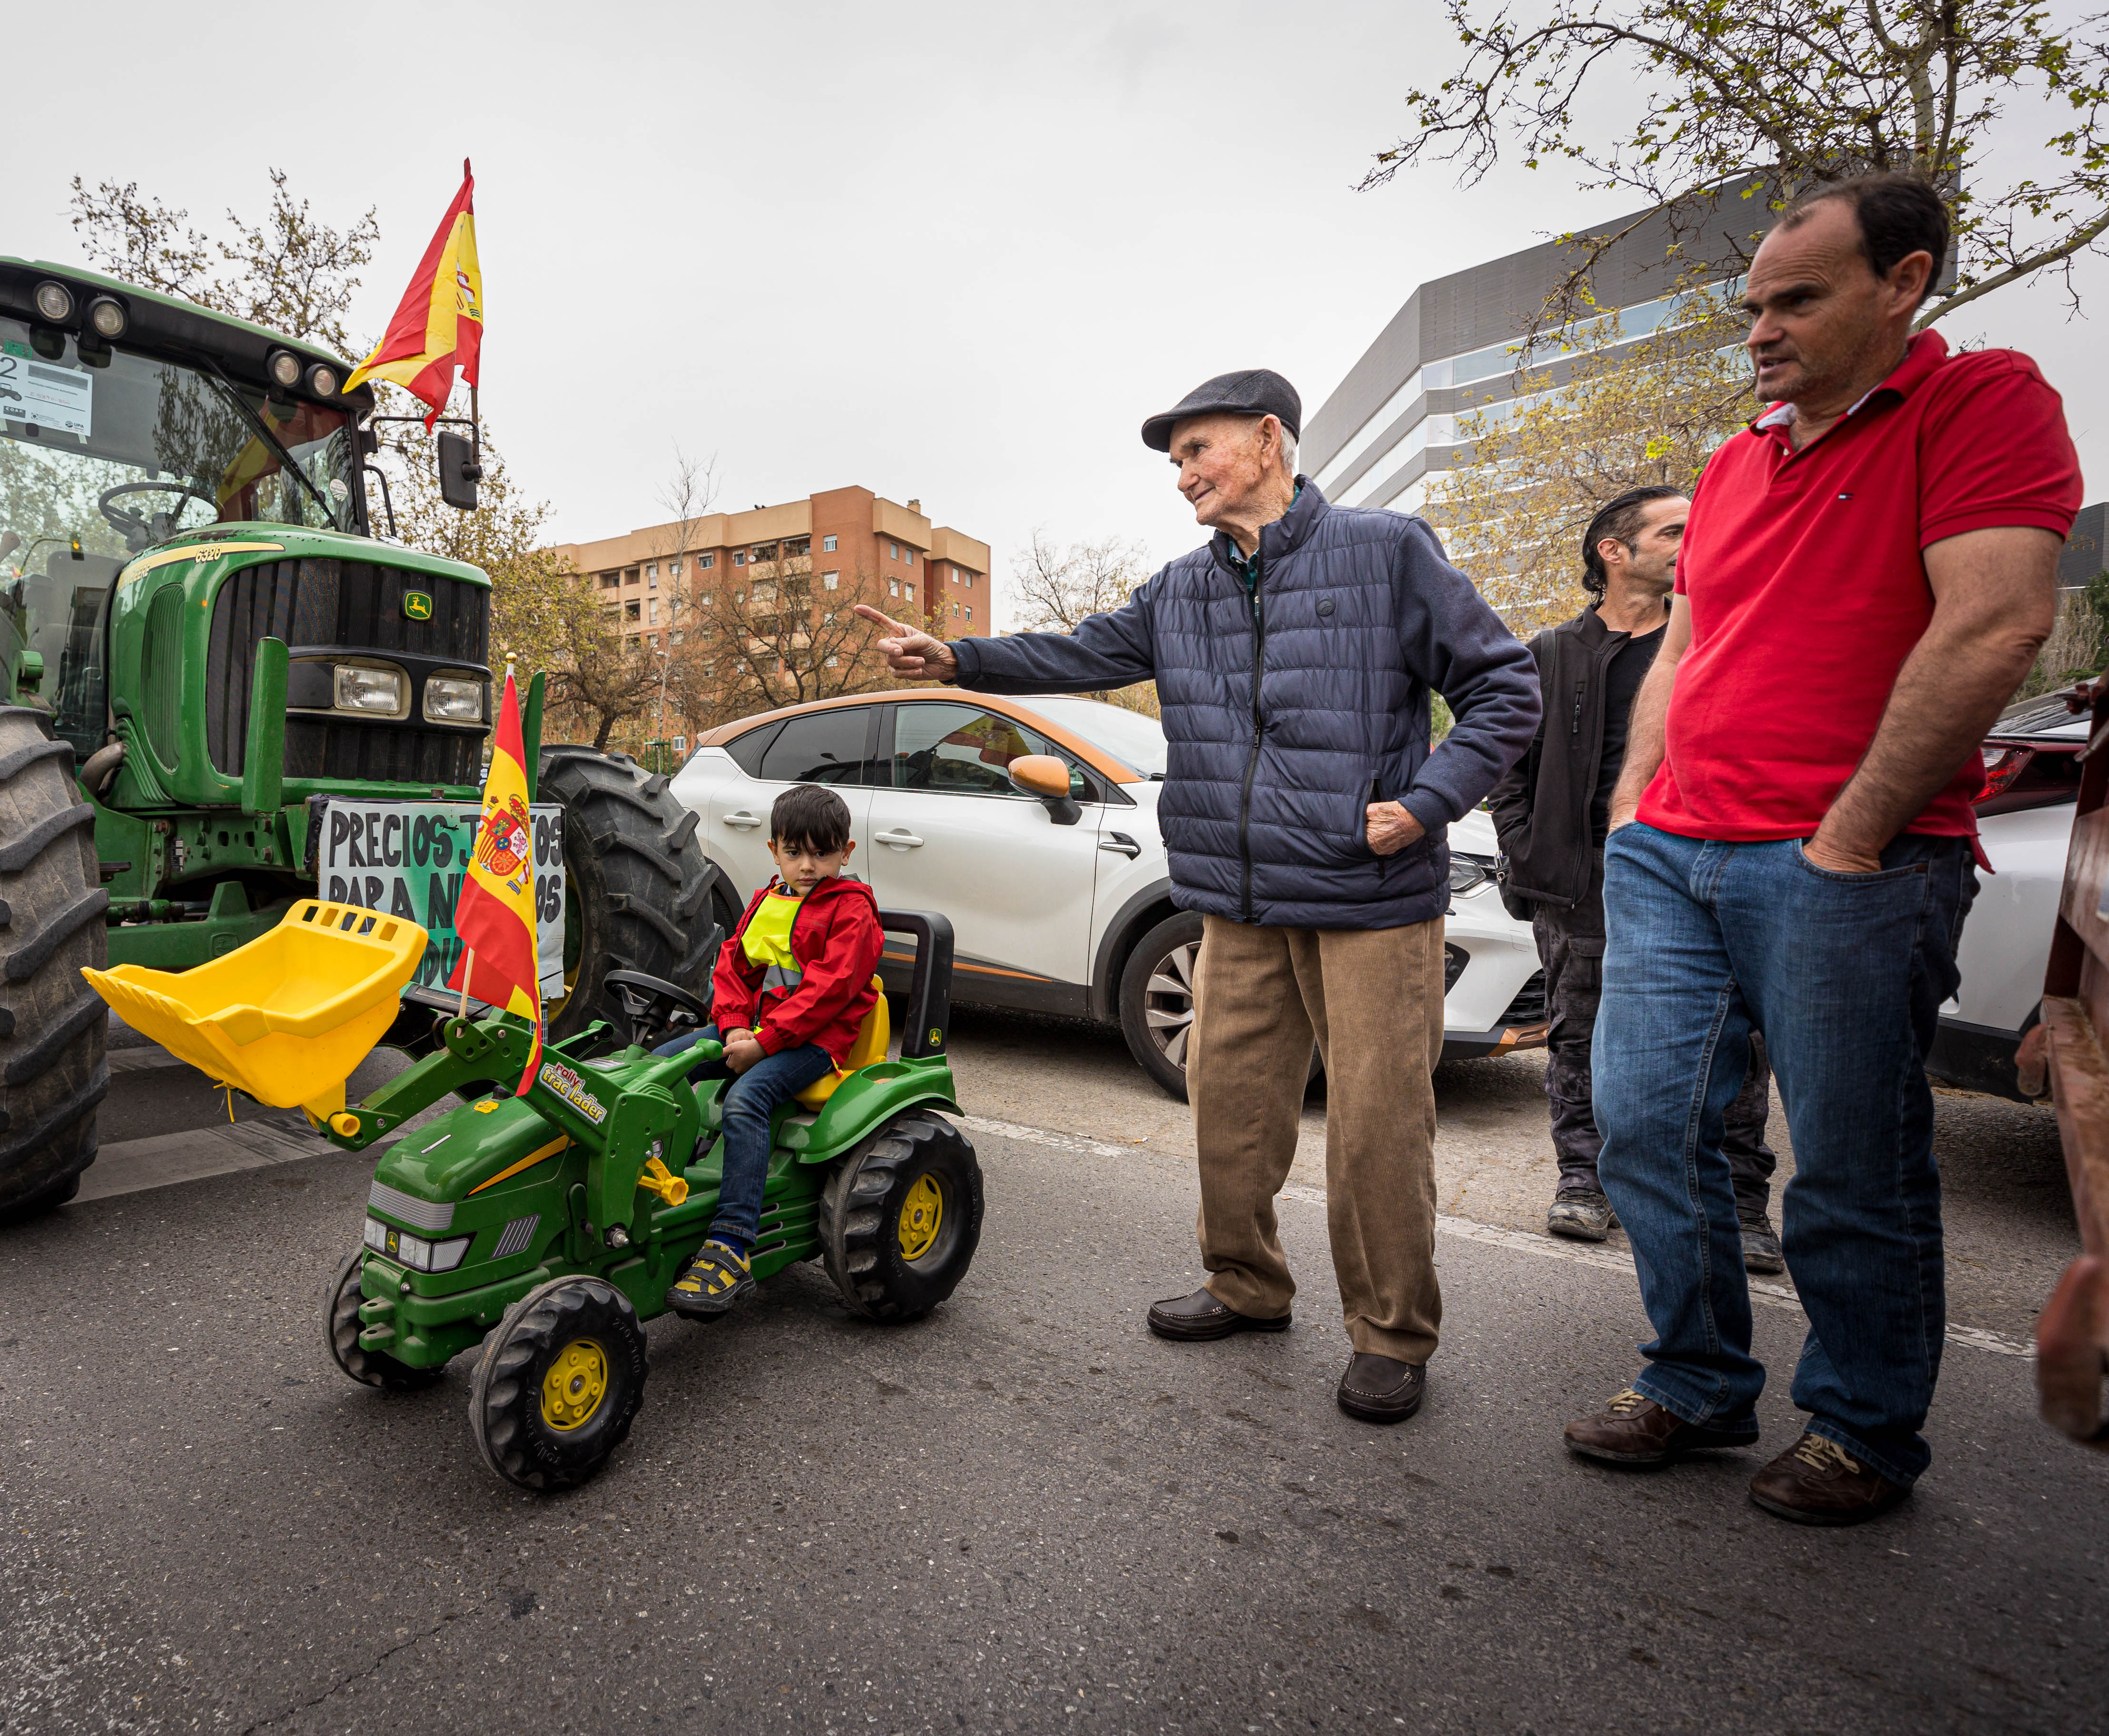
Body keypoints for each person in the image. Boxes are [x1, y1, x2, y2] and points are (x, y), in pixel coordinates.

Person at [856, 369, 1539, 1425]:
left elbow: (1505, 689)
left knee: (1376, 1128)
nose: (1181, 477)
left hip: (1369, 895)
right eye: (1176, 460)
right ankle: (1247, 1283)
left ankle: (1393, 1333)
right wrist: (958, 655)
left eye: (1196, 452)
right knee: (1229, 1104)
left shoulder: (1388, 551)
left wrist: (1425, 802)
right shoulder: (1183, 587)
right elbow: (1076, 652)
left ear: (1269, 440)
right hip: (1235, 894)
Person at [1565, 174, 2081, 1525]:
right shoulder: (1735, 462)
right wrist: (1634, 803)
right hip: (1674, 851)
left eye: (1798, 300)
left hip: (1854, 863)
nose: (1761, 332)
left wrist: (1850, 837)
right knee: (1642, 1132)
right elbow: (1688, 641)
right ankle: (1694, 1379)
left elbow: (1997, 622)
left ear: (1902, 284)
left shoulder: (1983, 403)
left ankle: (1861, 1426)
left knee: (1851, 1165)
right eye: (1755, 307)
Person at [1487, 488, 1783, 1272]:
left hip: (1700, 870)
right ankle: (1584, 1180)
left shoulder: (1718, 640)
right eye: (1672, 531)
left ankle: (1742, 1205)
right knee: (1579, 1035)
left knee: (1735, 1040)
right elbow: (1506, 770)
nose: (1693, 539)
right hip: (1580, 881)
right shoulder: (1549, 653)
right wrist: (1530, 851)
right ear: (1612, 552)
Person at [651, 783, 883, 1318]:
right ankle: (662, 1177)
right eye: (795, 852)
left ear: (845, 854)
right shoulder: (768, 901)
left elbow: (828, 992)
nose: (808, 865)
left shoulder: (852, 913)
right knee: (662, 1068)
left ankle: (733, 1244)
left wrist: (764, 1043)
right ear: (774, 850)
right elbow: (733, 965)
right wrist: (734, 1027)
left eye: (822, 854)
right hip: (755, 1031)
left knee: (747, 1100)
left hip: (817, 1042)